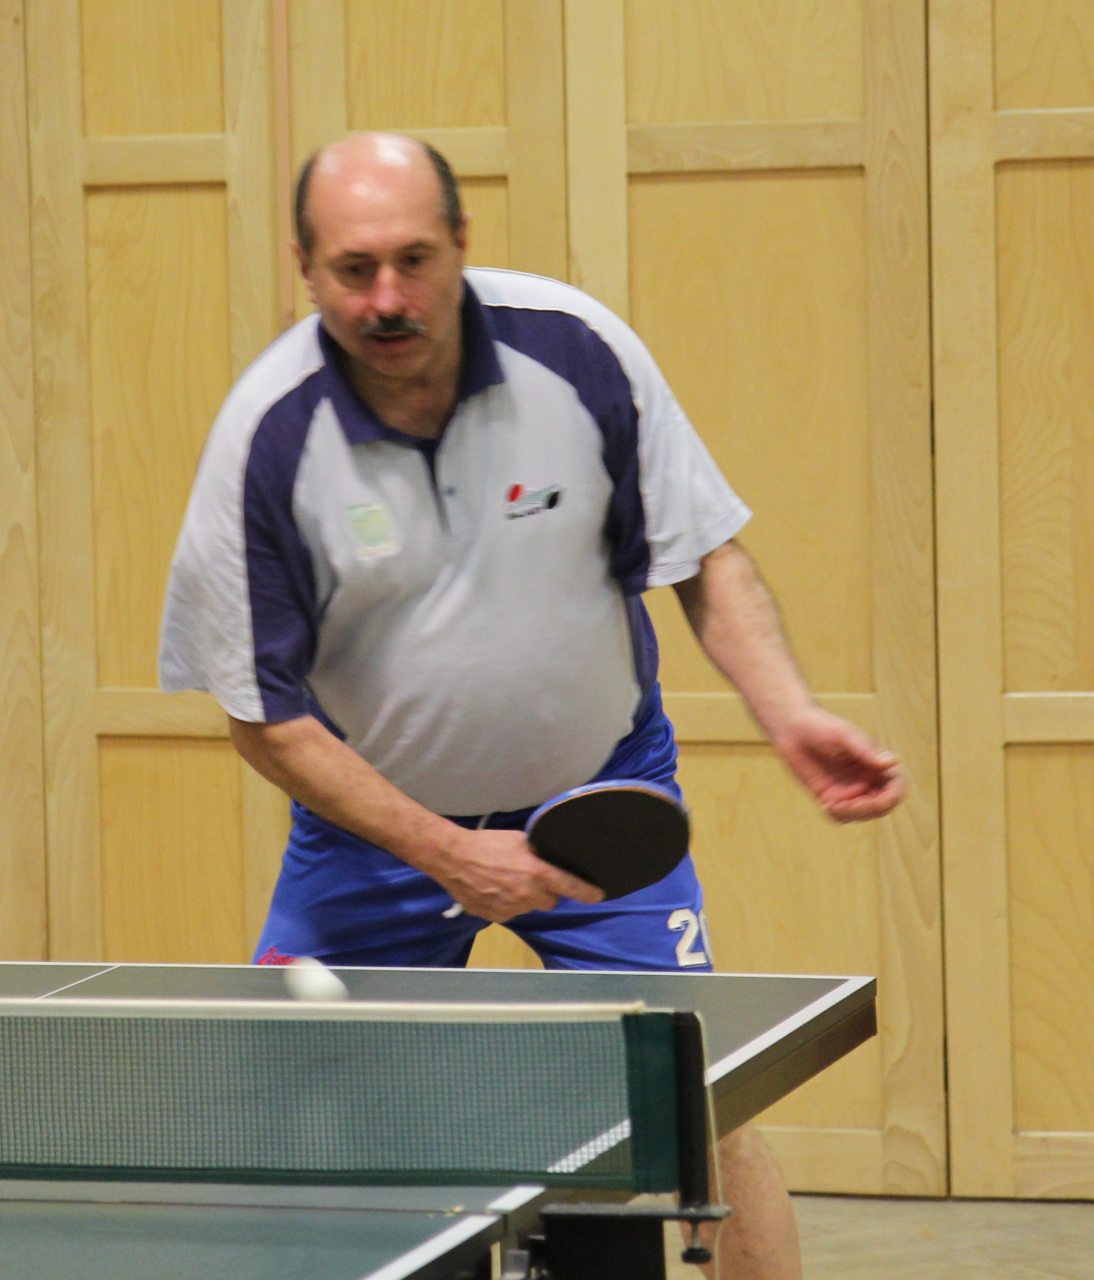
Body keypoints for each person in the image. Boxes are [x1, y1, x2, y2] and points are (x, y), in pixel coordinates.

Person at [160, 132, 903, 1279]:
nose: (389, 297)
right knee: (294, 1103)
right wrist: (447, 850)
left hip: (600, 799)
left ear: (463, 242)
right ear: (305, 266)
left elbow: (703, 556)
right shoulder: (267, 437)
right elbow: (265, 717)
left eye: (415, 259)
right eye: (355, 269)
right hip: (379, 836)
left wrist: (789, 710)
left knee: (702, 1093)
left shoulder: (578, 351)